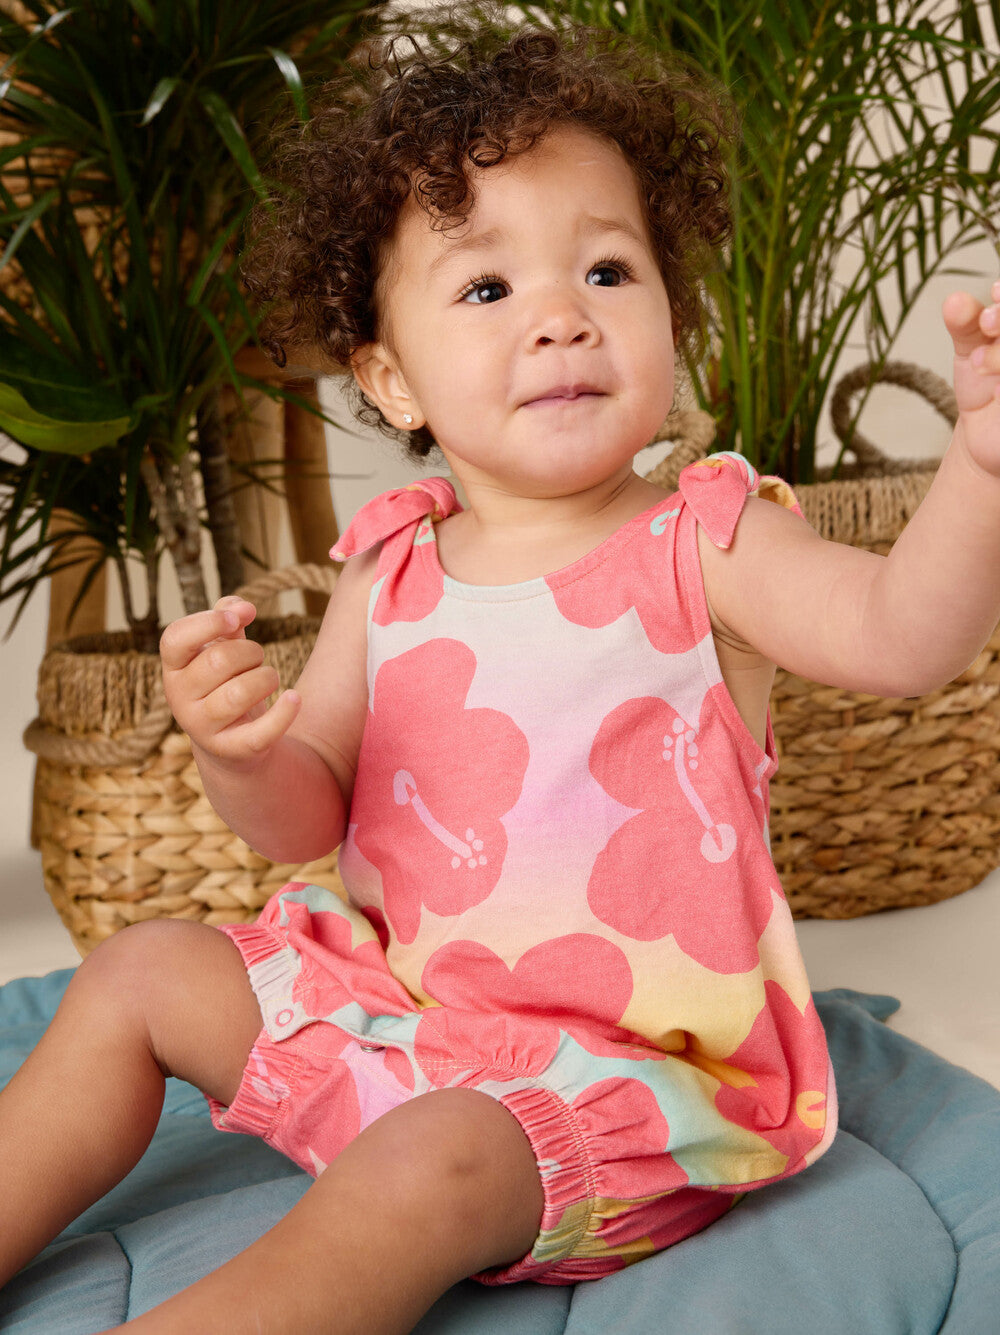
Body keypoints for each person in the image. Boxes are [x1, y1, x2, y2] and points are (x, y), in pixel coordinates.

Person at [3, 10, 1000, 1333]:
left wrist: (979, 468)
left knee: (432, 1160)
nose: (561, 321)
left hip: (609, 1086)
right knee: (138, 972)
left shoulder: (706, 540)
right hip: (399, 1019)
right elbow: (306, 815)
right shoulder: (391, 565)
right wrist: (238, 752)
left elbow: (901, 636)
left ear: (672, 312)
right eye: (487, 290)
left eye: (607, 271)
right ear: (390, 378)